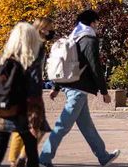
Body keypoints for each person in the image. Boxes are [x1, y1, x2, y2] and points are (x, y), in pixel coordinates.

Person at [39, 10, 120, 167]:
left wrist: (56, 87)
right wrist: (104, 91)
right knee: (62, 125)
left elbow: (66, 64)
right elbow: (94, 66)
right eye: (96, 22)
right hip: (78, 89)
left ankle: (103, 157)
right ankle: (44, 158)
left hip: (72, 86)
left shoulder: (74, 36)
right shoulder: (88, 39)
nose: (97, 26)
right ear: (92, 22)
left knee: (87, 126)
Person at [0, 22, 44, 167]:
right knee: (32, 155)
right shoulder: (30, 62)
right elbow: (34, 93)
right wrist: (36, 120)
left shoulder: (1, 59)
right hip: (22, 114)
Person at [9, 18, 56, 167]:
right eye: (49, 28)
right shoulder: (33, 45)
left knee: (35, 127)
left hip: (29, 91)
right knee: (30, 127)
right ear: (42, 29)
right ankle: (16, 160)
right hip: (28, 92)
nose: (51, 31)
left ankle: (20, 158)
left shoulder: (34, 44)